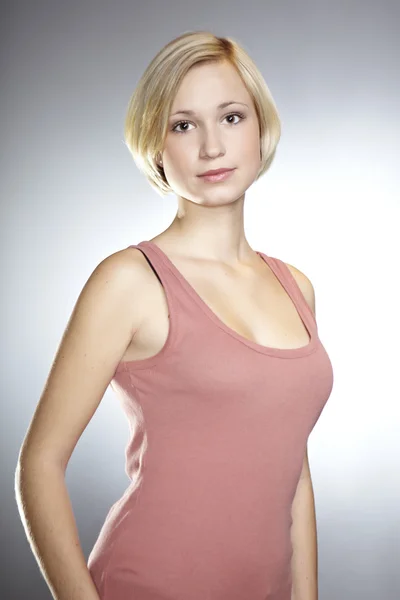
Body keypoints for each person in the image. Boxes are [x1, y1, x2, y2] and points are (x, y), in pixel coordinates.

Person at [15, 30, 334, 600]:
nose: (212, 146)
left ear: (261, 128)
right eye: (183, 125)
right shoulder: (130, 281)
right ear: (156, 146)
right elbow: (39, 464)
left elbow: (292, 465)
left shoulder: (297, 288)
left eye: (231, 117)